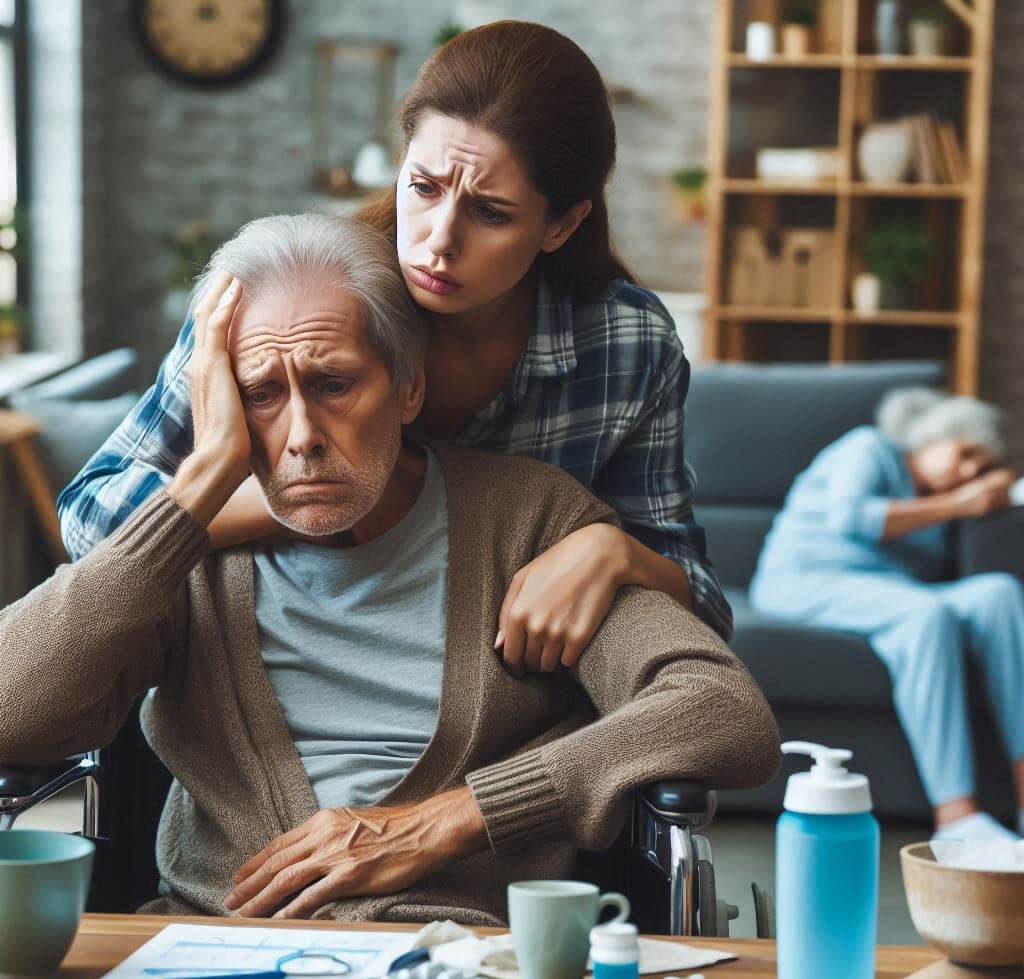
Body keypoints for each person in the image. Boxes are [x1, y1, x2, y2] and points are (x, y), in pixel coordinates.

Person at [1, 215, 779, 923]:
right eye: (261, 395)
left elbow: (723, 714)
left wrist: (449, 821)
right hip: (210, 957)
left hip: (455, 969)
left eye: (334, 383)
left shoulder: (530, 522)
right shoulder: (189, 560)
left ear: (408, 387)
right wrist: (203, 480)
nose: (302, 433)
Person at [57, 21, 732, 677]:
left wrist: (612, 551)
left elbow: (700, 603)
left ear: (561, 223)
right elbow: (90, 525)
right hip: (283, 682)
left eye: (490, 212)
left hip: (507, 712)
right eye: (424, 187)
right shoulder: (290, 300)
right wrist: (301, 495)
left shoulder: (627, 345)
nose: (439, 239)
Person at [750, 387, 1024, 842]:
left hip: (890, 590)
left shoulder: (941, 498)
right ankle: (958, 818)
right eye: (966, 452)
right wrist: (965, 502)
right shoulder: (868, 447)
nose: (973, 470)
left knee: (998, 593)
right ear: (932, 438)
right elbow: (850, 518)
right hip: (809, 578)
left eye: (983, 464)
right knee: (927, 617)